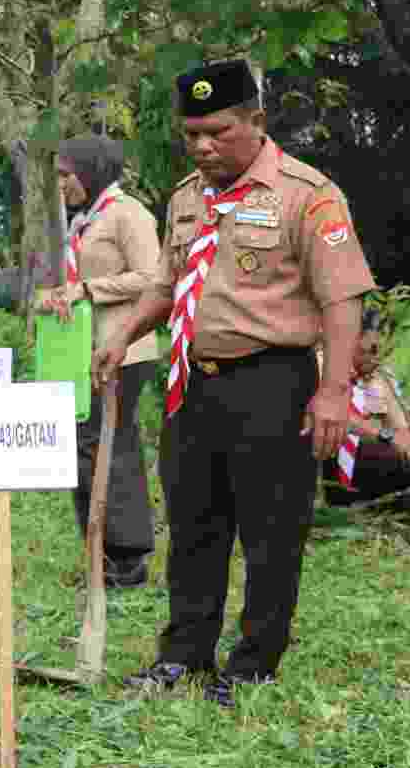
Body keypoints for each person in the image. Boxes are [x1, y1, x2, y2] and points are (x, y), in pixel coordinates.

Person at [93, 59, 375, 708]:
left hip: (271, 382)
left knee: (270, 531)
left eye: (216, 131)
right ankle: (182, 655)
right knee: (193, 523)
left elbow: (341, 300)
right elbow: (167, 284)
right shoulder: (188, 196)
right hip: (193, 384)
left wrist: (331, 391)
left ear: (256, 122)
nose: (201, 145)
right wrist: (121, 334)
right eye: (190, 134)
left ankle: (252, 663)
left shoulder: (308, 195)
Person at [35, 136, 161, 588]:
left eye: (67, 174)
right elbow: (83, 279)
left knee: (113, 446)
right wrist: (63, 295)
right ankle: (99, 551)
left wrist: (89, 290)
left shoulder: (129, 214)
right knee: (85, 446)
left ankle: (128, 558)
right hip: (85, 349)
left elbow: (152, 277)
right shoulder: (87, 219)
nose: (62, 183)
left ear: (91, 171)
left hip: (125, 350)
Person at [321, 308, 409, 505]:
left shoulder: (379, 379)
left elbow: (401, 429)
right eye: (370, 350)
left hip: (369, 468)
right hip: (323, 462)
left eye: (380, 351)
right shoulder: (321, 365)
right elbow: (338, 416)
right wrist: (386, 436)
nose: (376, 358)